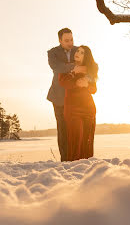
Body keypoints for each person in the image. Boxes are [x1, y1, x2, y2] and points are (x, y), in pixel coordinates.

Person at [47, 28, 86, 161]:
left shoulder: (79, 51)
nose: (70, 43)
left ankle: (78, 159)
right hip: (58, 97)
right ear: (60, 40)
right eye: (66, 40)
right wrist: (74, 67)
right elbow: (56, 67)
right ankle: (65, 160)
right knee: (63, 129)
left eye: (71, 39)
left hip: (76, 97)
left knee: (77, 128)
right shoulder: (53, 53)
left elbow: (89, 66)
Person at [58, 45, 98, 161]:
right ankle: (73, 170)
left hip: (89, 109)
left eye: (82, 52)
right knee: (76, 140)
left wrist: (87, 84)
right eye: (78, 51)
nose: (78, 53)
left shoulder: (89, 71)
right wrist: (74, 75)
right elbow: (64, 83)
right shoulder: (66, 68)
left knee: (87, 141)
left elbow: (94, 89)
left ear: (86, 57)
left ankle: (88, 171)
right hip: (72, 109)